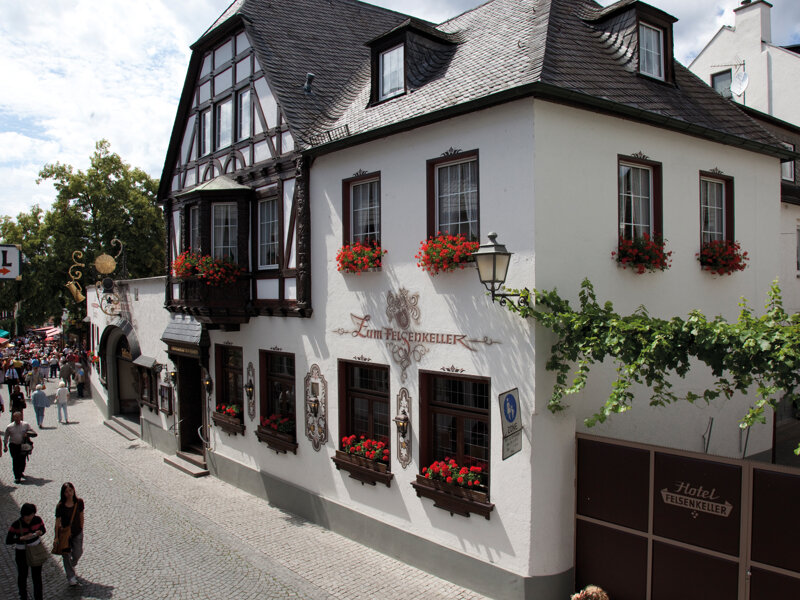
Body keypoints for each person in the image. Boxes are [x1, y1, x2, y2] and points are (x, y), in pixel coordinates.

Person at [6, 503, 46, 600]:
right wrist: (21, 538)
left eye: (31, 515)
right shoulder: (16, 524)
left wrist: (39, 532)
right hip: (22, 553)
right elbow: (8, 540)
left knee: (37, 577)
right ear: (23, 515)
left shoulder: (37, 520)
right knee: (23, 575)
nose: (29, 518)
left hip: (35, 550)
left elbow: (43, 530)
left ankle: (38, 597)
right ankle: (23, 596)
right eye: (27, 516)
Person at [54, 482, 84, 586]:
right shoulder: (60, 506)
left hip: (77, 532)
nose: (69, 493)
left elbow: (81, 516)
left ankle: (71, 565)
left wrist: (81, 529)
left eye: (70, 491)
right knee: (66, 555)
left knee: (78, 553)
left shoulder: (79, 502)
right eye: (66, 492)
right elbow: (57, 523)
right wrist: (56, 537)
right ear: (63, 493)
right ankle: (71, 577)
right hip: (65, 534)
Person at [4, 411, 35, 483]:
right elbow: (6, 436)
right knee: (15, 460)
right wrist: (5, 446)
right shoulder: (9, 427)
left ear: (21, 417)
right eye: (15, 417)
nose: (17, 419)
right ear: (13, 418)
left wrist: (27, 434)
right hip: (13, 445)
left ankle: (20, 471)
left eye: (18, 417)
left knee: (22, 460)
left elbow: (33, 432)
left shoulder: (25, 425)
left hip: (22, 445)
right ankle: (17, 477)